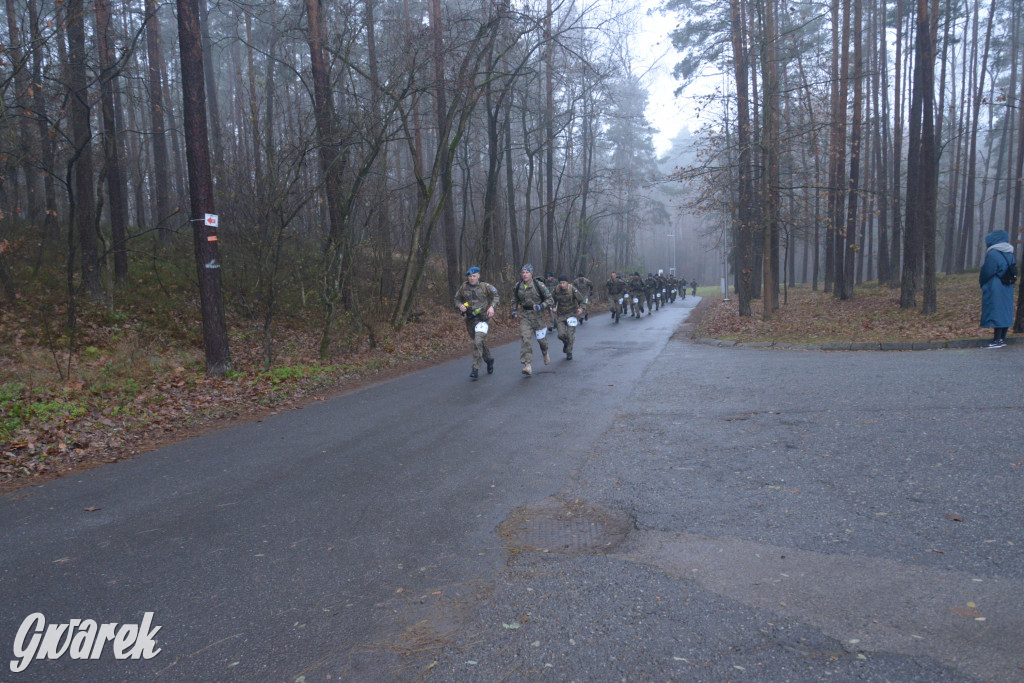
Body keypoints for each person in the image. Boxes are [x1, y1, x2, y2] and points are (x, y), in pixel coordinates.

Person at [454, 266, 498, 379]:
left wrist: (492, 307)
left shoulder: (485, 287)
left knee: (478, 342)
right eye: (470, 276)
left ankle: (475, 369)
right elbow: (456, 299)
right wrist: (460, 306)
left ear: (478, 275)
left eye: (474, 276)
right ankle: (489, 360)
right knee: (479, 343)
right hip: (470, 320)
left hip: (483, 319)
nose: (472, 278)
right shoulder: (463, 287)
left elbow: (496, 296)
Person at [511, 264, 554, 375]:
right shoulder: (518, 286)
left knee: (541, 340)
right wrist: (514, 310)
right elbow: (515, 299)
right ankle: (527, 365)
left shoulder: (539, 285)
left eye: (527, 272)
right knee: (526, 339)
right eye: (523, 272)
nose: (525, 275)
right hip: (525, 315)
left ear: (531, 274)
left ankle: (545, 352)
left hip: (538, 316)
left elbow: (550, 299)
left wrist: (542, 306)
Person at [979, 230, 1016, 348]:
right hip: (1008, 286)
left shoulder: (993, 254)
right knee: (1005, 312)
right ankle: (1002, 339)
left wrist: (982, 283)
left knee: (996, 311)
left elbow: (987, 271)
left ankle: (996, 340)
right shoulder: (1010, 253)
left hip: (996, 286)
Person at [553, 275, 586, 360]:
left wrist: (581, 308)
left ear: (567, 282)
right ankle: (566, 343)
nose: (562, 285)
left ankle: (569, 352)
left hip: (571, 314)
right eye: (560, 283)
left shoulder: (573, 290)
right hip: (561, 315)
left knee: (570, 335)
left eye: (563, 283)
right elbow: (551, 300)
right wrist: (553, 307)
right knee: (561, 335)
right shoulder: (556, 290)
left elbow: (582, 301)